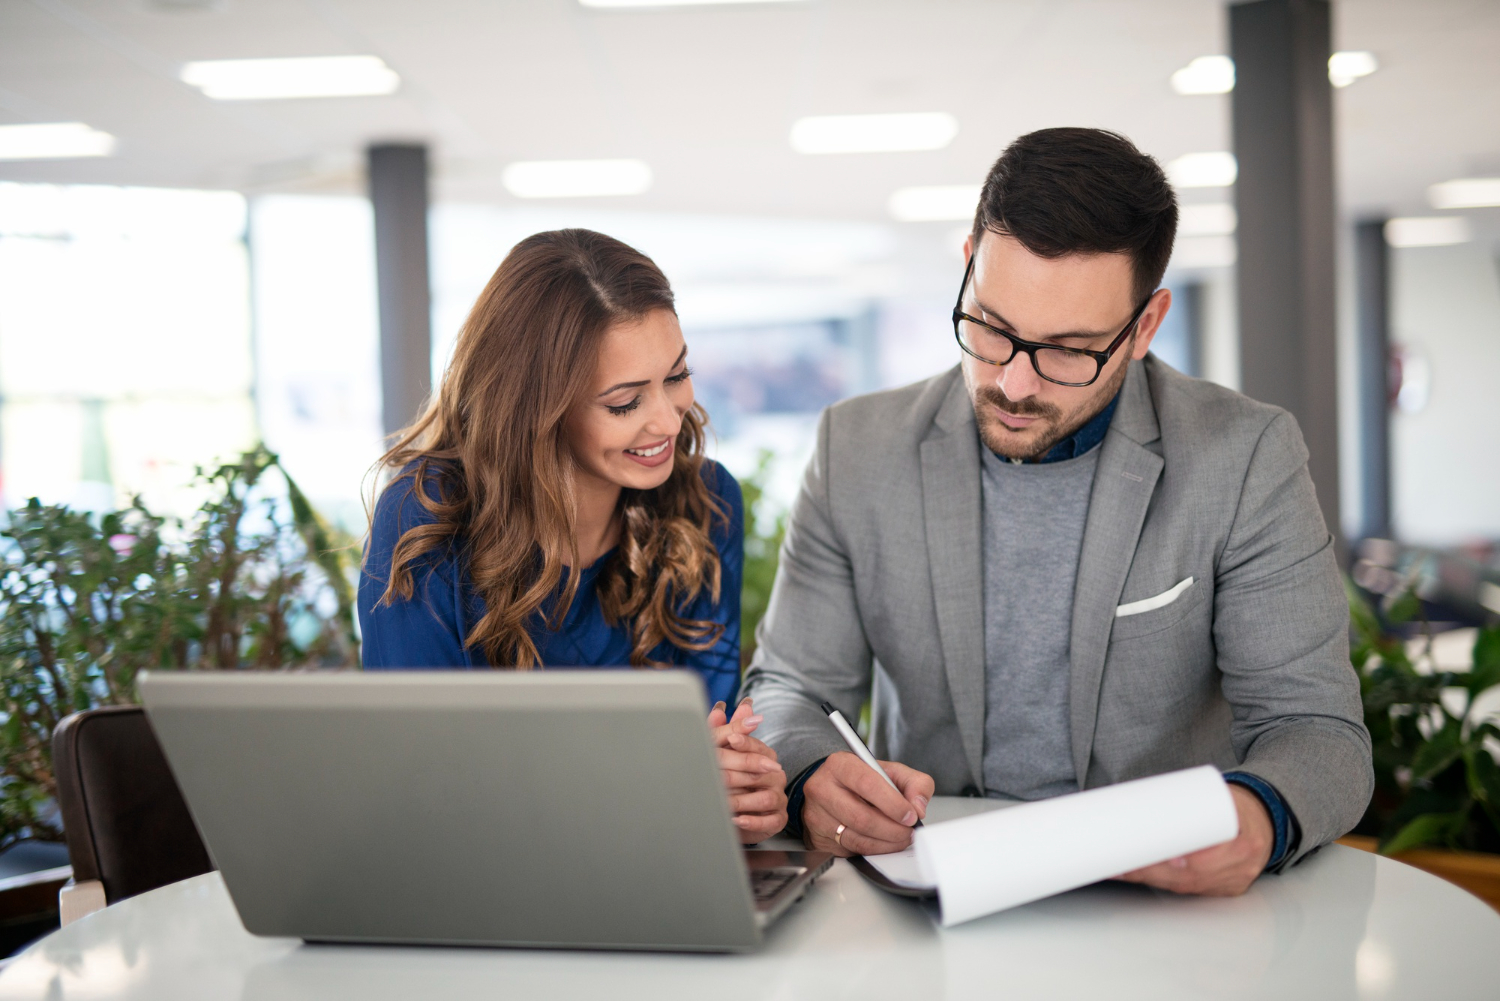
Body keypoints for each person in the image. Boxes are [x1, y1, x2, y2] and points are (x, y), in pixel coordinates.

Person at [741, 128, 1372, 895]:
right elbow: (787, 690)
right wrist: (810, 774)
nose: (1011, 384)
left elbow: (1318, 730)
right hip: (929, 890)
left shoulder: (1244, 457)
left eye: (1068, 350)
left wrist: (1257, 814)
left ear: (1144, 325)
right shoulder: (857, 448)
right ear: (969, 262)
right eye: (992, 329)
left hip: (1158, 904)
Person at [359, 228, 787, 843]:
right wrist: (662, 784)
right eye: (623, 402)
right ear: (535, 407)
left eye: (677, 374)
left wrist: (741, 791)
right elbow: (423, 787)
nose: (668, 419)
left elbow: (703, 745)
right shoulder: (426, 518)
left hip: (655, 865)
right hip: (491, 887)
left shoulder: (706, 503)